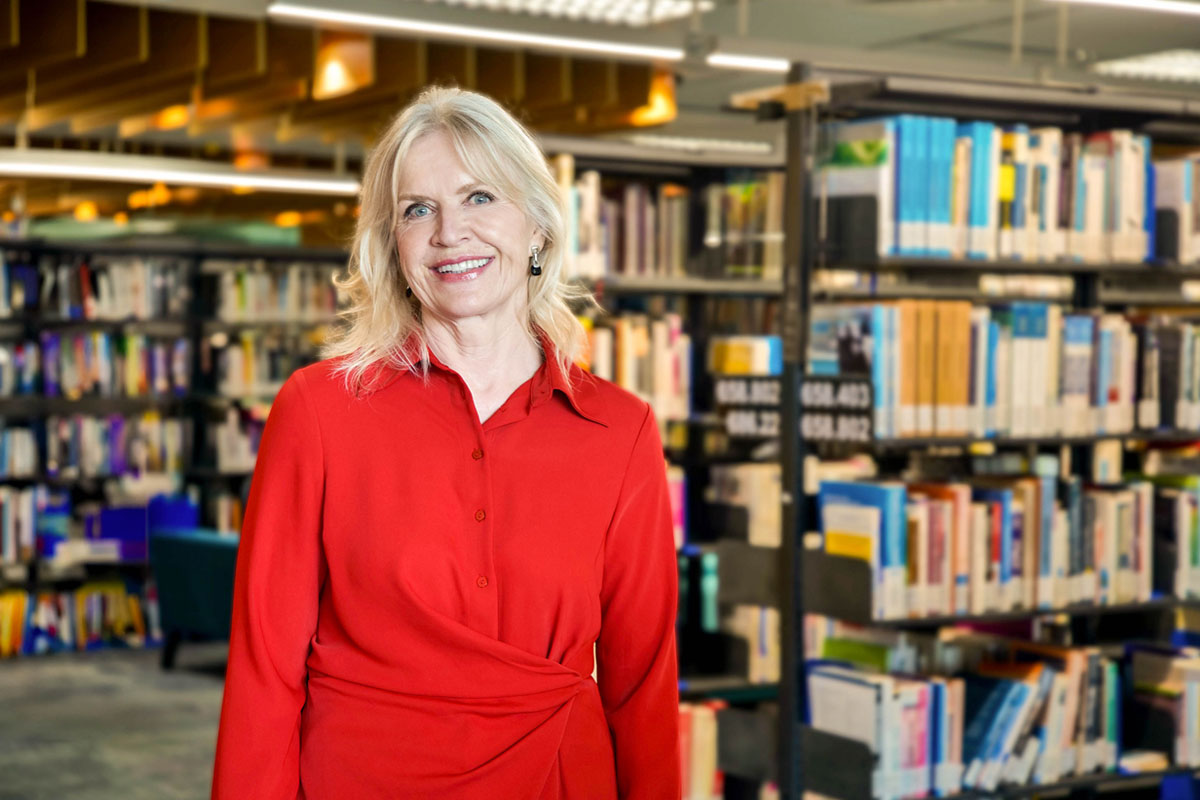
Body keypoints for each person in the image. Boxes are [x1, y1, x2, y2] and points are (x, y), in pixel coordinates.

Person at [211, 86, 680, 799]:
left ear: (538, 227)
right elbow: (264, 670)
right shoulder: (317, 411)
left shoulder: (622, 431)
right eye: (417, 209)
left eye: (479, 197)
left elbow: (643, 684)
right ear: (392, 245)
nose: (449, 233)